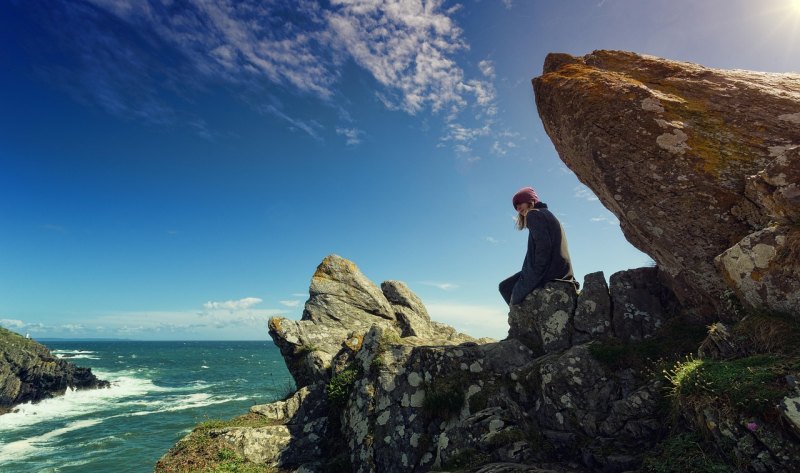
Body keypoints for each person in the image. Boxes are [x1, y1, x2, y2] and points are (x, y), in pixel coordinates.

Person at [499, 186, 576, 306]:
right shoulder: (547, 214)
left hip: (549, 273)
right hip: (561, 270)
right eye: (515, 206)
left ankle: (520, 319)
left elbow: (543, 248)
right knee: (506, 285)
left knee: (505, 288)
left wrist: (534, 275)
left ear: (531, 201)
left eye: (520, 202)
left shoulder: (533, 215)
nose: (518, 208)